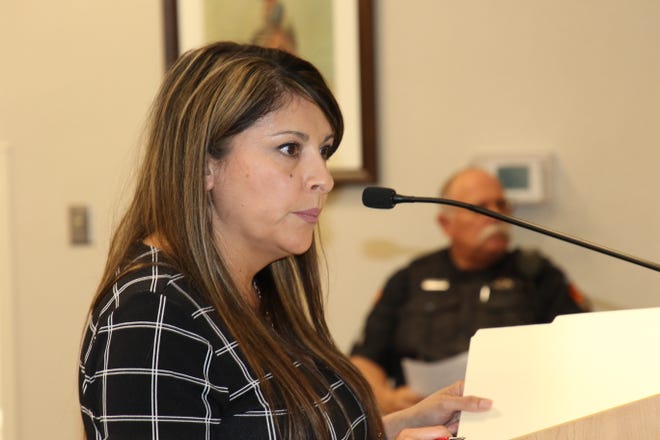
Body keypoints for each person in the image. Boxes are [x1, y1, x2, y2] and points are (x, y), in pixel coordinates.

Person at [77, 42, 492, 439]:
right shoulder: (153, 314)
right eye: (290, 148)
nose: (324, 179)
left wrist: (401, 424)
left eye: (324, 151)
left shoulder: (258, 287)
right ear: (205, 165)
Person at [351, 167, 589, 415]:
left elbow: (580, 349)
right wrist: (386, 400)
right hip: (425, 423)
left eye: (501, 204)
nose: (496, 215)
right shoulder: (409, 279)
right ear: (446, 224)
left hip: (514, 417)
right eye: (481, 208)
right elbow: (365, 360)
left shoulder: (538, 275)